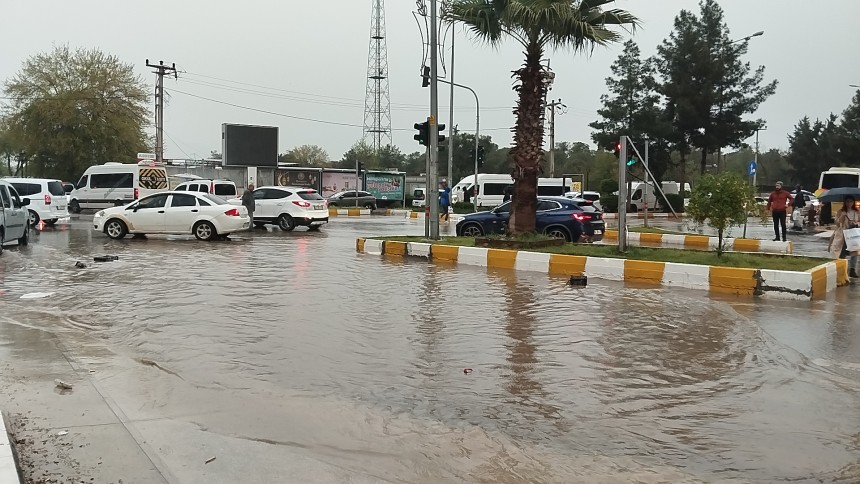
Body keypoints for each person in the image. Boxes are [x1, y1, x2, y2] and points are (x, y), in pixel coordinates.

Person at [829, 195, 860, 278]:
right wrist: (842, 217)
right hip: (843, 234)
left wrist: (856, 223)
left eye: (851, 201)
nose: (849, 203)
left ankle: (852, 270)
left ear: (853, 202)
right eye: (847, 201)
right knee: (841, 251)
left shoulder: (857, 212)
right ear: (845, 202)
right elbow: (837, 223)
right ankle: (841, 268)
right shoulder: (841, 211)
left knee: (854, 252)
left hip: (853, 234)